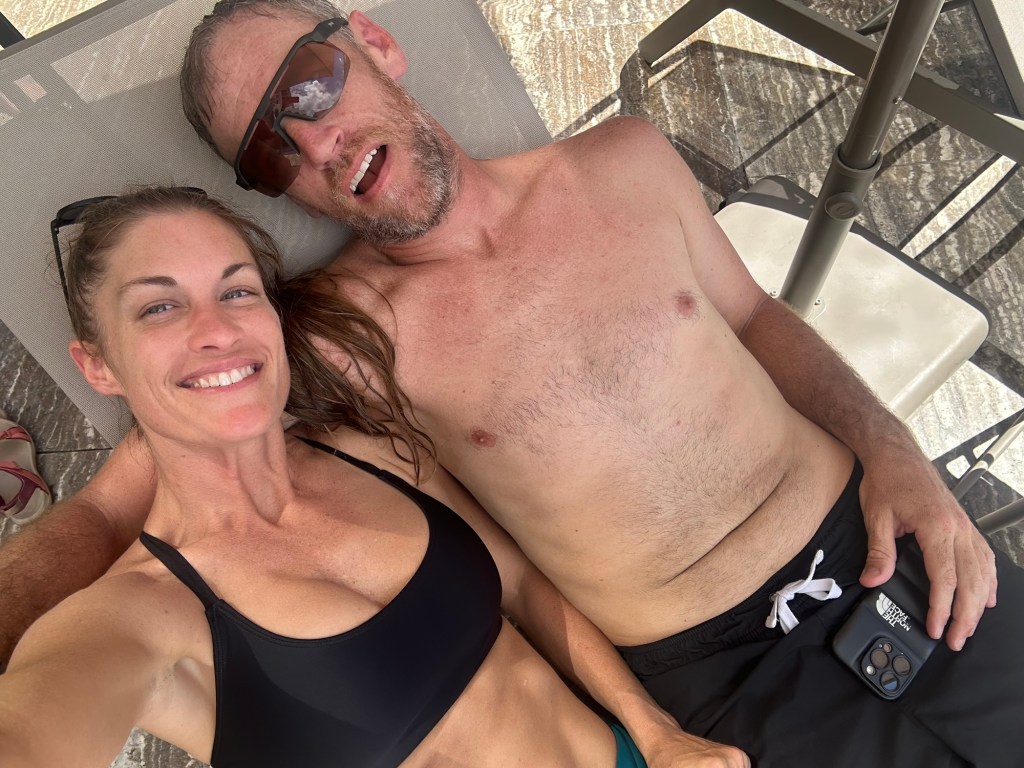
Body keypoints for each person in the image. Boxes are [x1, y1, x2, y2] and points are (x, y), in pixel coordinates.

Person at [1, 2, 1021, 764]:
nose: (315, 141)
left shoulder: (623, 161)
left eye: (309, 87)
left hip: (891, 542)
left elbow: (758, 322)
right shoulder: (332, 337)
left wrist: (902, 459)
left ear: (374, 42)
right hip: (724, 684)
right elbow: (120, 494)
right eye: (271, 150)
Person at [0, 186, 746, 768]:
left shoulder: (367, 450)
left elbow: (523, 587)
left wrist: (656, 735)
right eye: (160, 307)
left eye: (237, 291)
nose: (216, 330)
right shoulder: (139, 616)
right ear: (98, 365)